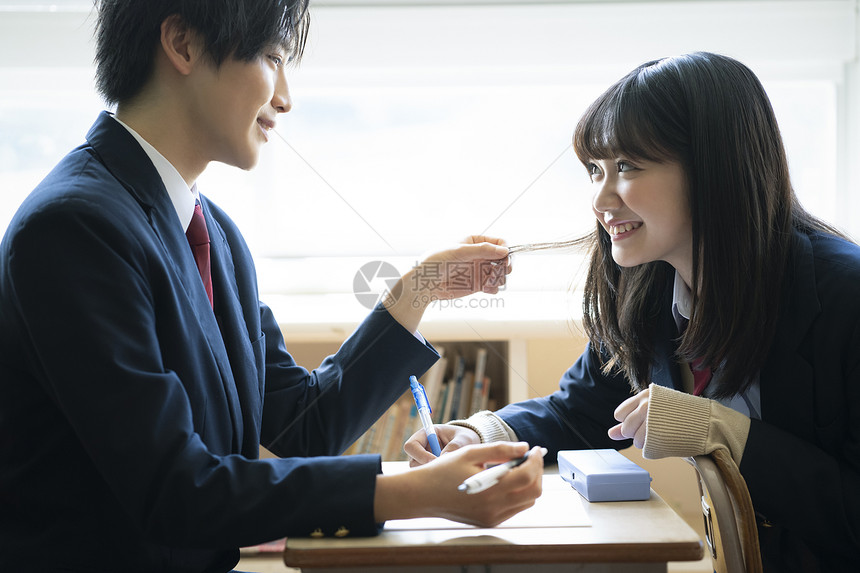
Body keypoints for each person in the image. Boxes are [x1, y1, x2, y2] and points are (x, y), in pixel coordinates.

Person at [0, 1, 545, 571]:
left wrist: (420, 289)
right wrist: (418, 493)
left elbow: (302, 424)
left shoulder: (215, 234)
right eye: (271, 57)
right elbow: (174, 489)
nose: (285, 96)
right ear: (183, 45)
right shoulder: (73, 227)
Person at [405, 52, 860, 572]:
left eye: (627, 167)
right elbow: (580, 412)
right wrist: (484, 434)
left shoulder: (846, 298)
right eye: (595, 170)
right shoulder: (649, 288)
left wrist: (727, 433)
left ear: (715, 167)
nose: (601, 199)